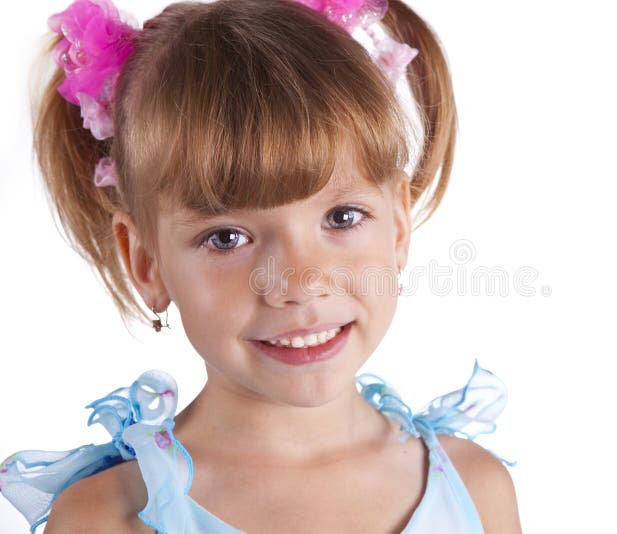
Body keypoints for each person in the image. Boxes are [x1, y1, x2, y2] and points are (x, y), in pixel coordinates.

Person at [0, 0, 522, 532]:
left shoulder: (476, 489)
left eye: (342, 216)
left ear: (397, 227)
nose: (299, 283)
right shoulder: (112, 517)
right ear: (146, 262)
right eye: (227, 237)